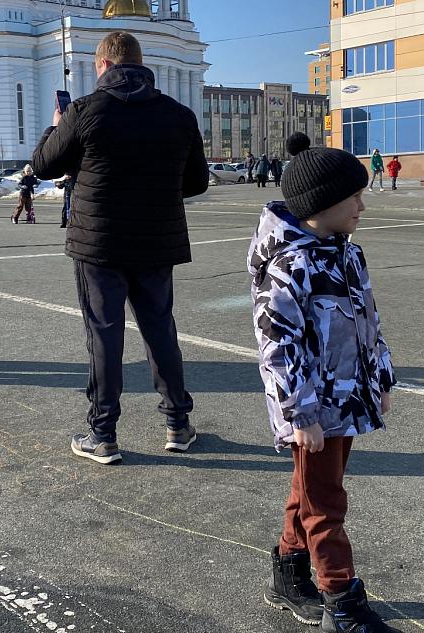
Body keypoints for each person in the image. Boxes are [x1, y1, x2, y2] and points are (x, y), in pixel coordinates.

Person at [32, 30, 209, 464]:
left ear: (104, 65)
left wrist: (56, 127)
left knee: (105, 336)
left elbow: (42, 166)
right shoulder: (178, 114)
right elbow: (197, 182)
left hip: (100, 242)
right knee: (160, 331)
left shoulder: (85, 110)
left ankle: (104, 433)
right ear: (140, 61)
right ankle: (177, 424)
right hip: (156, 239)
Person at [250, 132, 399, 633]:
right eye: (353, 196)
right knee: (326, 503)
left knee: (311, 492)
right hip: (313, 408)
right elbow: (278, 347)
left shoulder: (347, 254)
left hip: (348, 399)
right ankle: (342, 600)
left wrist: (380, 376)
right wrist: (302, 413)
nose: (362, 202)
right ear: (321, 204)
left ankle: (288, 574)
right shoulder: (291, 267)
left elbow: (368, 321)